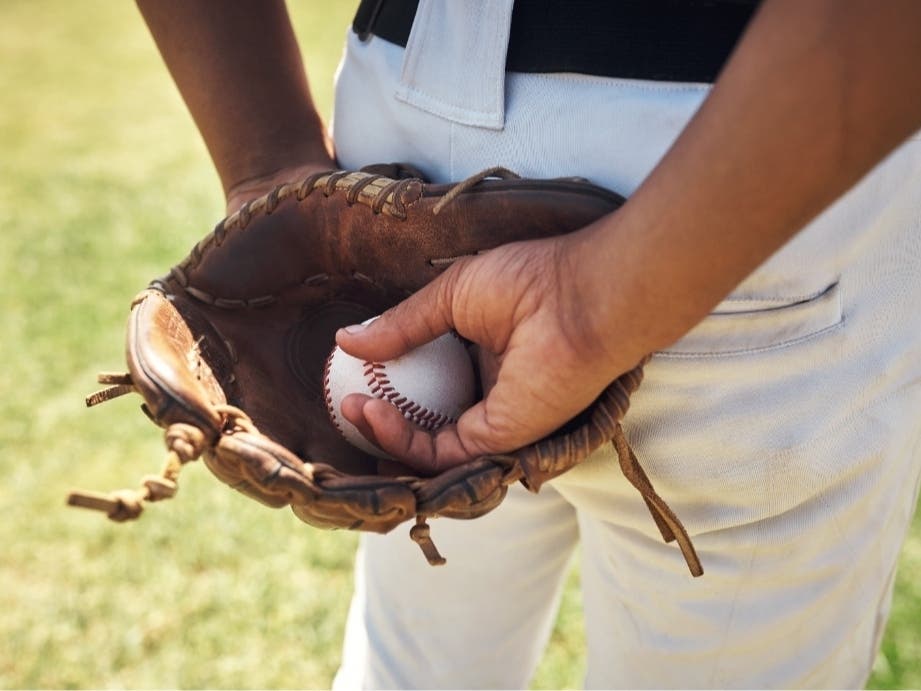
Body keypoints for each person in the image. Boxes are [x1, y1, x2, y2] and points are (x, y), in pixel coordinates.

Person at [136, 0, 921, 687]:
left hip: (408, 135)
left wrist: (265, 152)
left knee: (409, 674)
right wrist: (587, 312)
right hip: (725, 167)